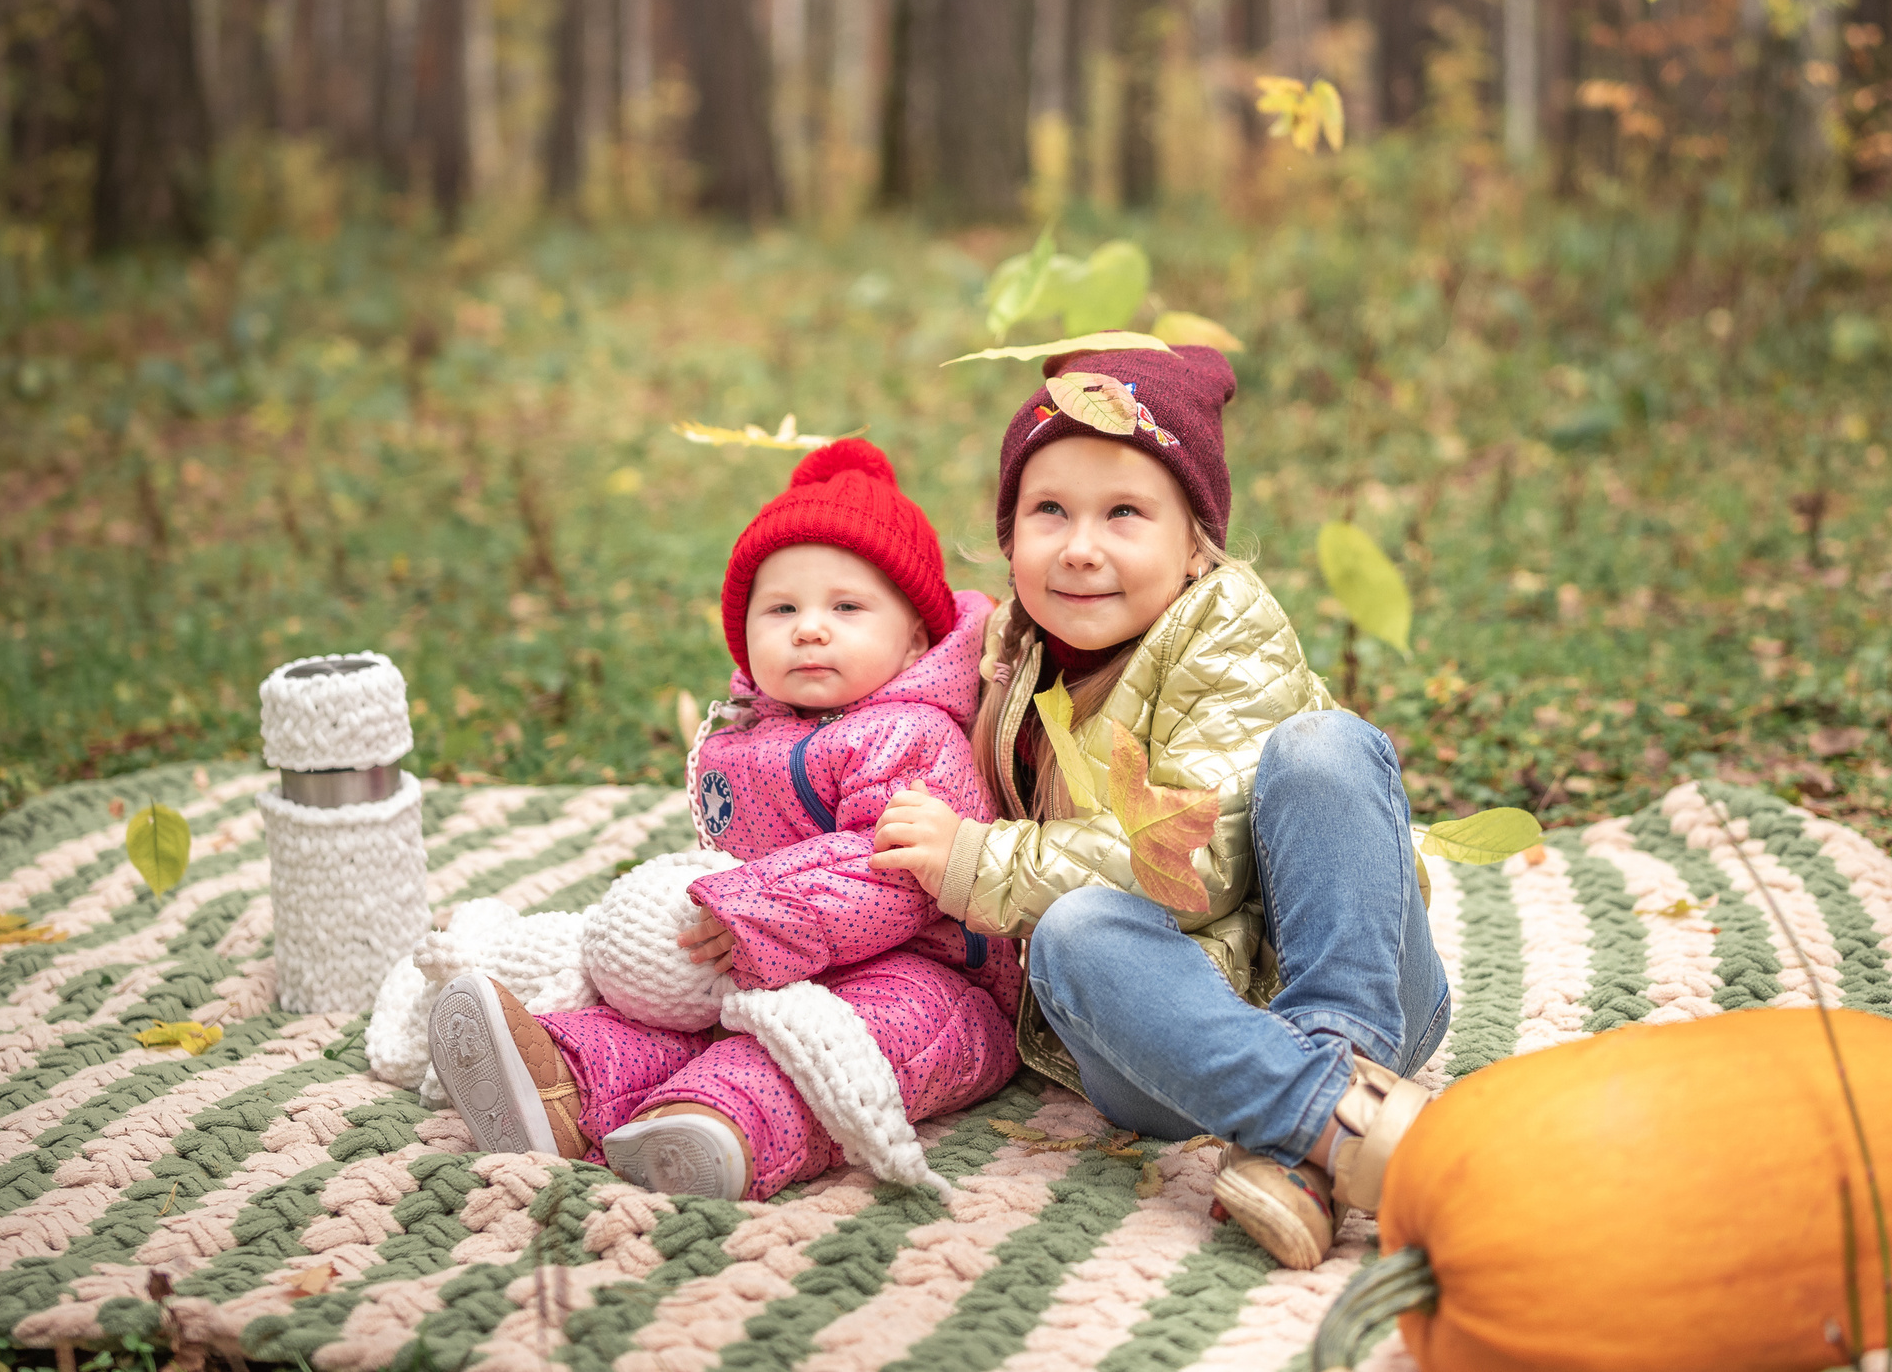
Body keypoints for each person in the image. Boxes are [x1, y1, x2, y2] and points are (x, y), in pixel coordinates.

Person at [869, 345, 1447, 1267]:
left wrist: (980, 864)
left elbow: (1193, 860)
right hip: (1172, 1040)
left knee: (1323, 747)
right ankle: (1328, 1131)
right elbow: (880, 686)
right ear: (1009, 535)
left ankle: (1329, 1082)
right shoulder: (1007, 649)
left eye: (1125, 513)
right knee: (1073, 932)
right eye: (1049, 510)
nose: (1080, 545)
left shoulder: (1228, 626)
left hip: (1362, 979)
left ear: (1194, 547)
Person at [430, 440, 1019, 1199]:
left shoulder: (910, 733)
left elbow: (896, 871)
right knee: (667, 1009)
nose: (810, 628)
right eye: (782, 609)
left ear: (914, 638)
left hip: (926, 975)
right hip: (760, 947)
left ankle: (718, 1125)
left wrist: (755, 915)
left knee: (821, 1045)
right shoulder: (745, 736)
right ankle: (564, 1079)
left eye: (846, 607)